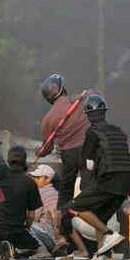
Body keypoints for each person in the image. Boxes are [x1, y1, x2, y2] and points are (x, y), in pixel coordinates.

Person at [62, 94, 130, 256]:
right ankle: (101, 255)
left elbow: (88, 164)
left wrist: (88, 186)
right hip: (126, 181)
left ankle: (109, 235)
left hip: (108, 179)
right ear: (104, 112)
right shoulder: (118, 132)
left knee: (74, 207)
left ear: (87, 115)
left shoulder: (92, 133)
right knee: (101, 216)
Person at [39, 74, 90, 212]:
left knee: (66, 191)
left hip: (68, 154)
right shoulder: (79, 100)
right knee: (89, 186)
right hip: (88, 149)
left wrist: (40, 152)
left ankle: (63, 227)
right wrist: (81, 97)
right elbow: (95, 96)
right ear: (63, 89)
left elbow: (46, 148)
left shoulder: (48, 119)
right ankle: (92, 218)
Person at [0, 146, 42, 259]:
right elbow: (31, 215)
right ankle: (15, 249)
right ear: (24, 162)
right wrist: (26, 229)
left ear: (8, 160)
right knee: (38, 249)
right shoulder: (30, 183)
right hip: (17, 230)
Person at [27, 164, 65, 255]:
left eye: (38, 177)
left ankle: (42, 250)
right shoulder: (55, 192)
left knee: (26, 224)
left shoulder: (42, 192)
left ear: (47, 179)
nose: (34, 180)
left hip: (48, 234)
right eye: (34, 177)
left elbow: (34, 218)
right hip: (54, 235)